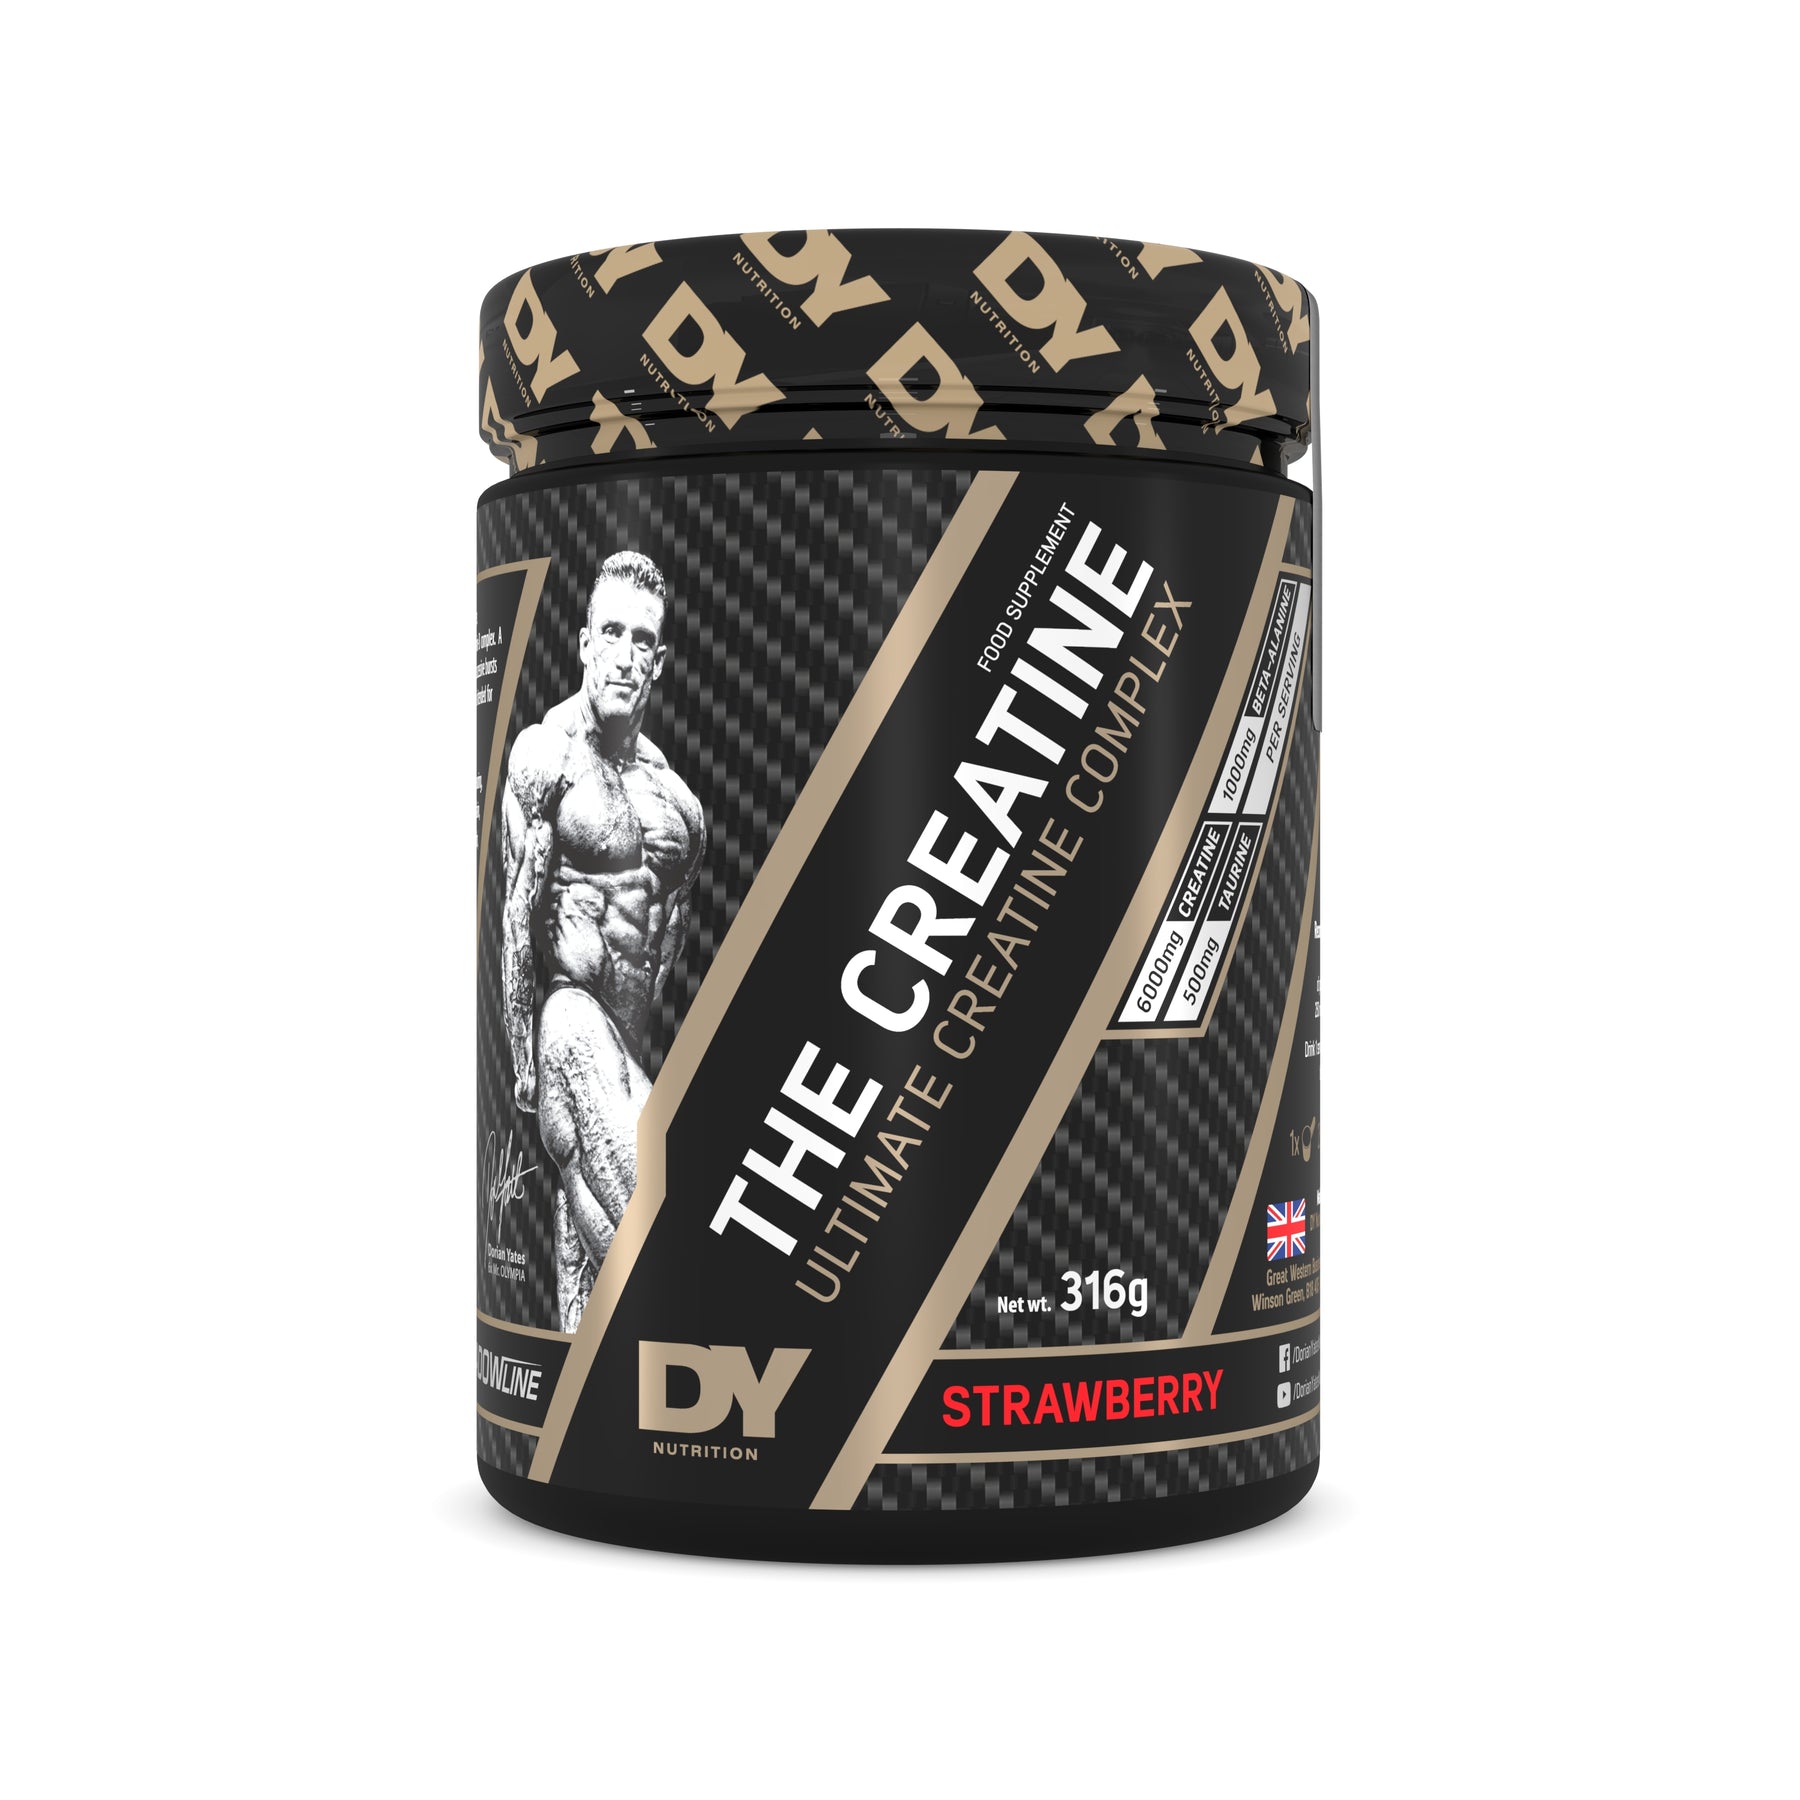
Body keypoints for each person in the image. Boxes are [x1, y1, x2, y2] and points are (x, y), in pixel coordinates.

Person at [501, 551, 706, 1329]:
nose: (624, 655)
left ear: (660, 659)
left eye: (641, 639)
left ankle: (587, 1396)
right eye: (610, 633)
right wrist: (524, 1063)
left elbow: (665, 946)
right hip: (566, 1024)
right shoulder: (545, 758)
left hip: (624, 1050)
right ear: (585, 642)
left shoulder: (679, 807)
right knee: (653, 1227)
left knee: (591, 1298)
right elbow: (518, 918)